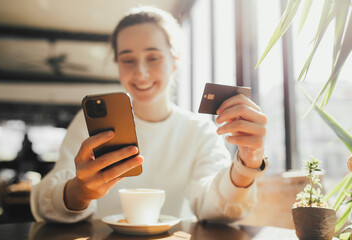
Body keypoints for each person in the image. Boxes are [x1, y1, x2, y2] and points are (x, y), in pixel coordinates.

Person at [31, 6, 268, 223]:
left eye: (153, 57)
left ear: (174, 62)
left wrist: (247, 162)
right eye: (128, 60)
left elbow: (217, 207)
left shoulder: (199, 131)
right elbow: (46, 200)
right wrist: (80, 192)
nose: (141, 72)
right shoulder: (87, 125)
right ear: (118, 64)